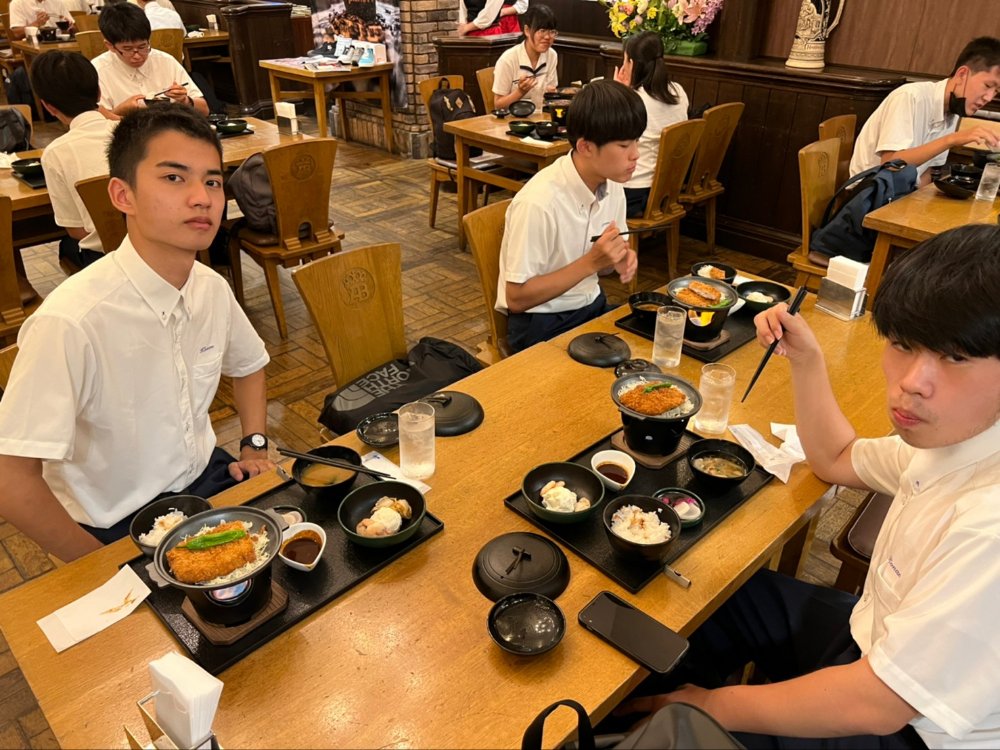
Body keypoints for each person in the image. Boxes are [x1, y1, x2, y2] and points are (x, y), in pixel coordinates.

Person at [620, 223, 1000, 749]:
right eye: (903, 344)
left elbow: (878, 704)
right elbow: (836, 458)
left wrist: (706, 705)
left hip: (908, 729)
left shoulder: (988, 522)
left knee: (689, 727)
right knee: (720, 598)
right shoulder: (957, 437)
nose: (912, 382)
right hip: (870, 638)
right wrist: (806, 358)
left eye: (956, 357)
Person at [0, 106, 273, 563]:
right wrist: (99, 566)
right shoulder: (71, 321)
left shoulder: (210, 288)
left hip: (207, 481)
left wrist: (255, 444)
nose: (202, 198)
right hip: (116, 524)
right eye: (174, 178)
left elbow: (249, 366)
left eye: (212, 181)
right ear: (122, 195)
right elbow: (10, 477)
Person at [496, 80, 643, 352]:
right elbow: (516, 298)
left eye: (637, 141)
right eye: (624, 145)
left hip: (591, 306)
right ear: (586, 146)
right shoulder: (538, 202)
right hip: (540, 323)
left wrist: (616, 258)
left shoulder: (612, 185)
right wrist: (591, 262)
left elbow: (603, 267)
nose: (636, 154)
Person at [850, 37, 1000, 185]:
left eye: (996, 91)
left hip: (901, 194)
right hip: (868, 194)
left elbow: (925, 173)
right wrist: (952, 139)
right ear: (962, 75)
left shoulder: (953, 109)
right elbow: (890, 164)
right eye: (988, 86)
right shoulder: (911, 96)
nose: (989, 97)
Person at [29, 50, 118, 271]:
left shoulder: (55, 153)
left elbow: (76, 230)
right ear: (99, 92)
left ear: (48, 106)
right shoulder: (139, 131)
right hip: (162, 248)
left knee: (67, 245)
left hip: (108, 261)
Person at [613, 30, 689, 218]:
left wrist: (618, 93)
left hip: (633, 192)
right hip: (667, 190)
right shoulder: (678, 92)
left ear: (631, 63)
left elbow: (610, 138)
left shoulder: (634, 101)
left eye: (625, 60)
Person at [92, 2, 208, 116]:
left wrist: (185, 100)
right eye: (128, 49)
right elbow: (95, 122)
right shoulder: (98, 71)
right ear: (110, 46)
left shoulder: (165, 61)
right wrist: (120, 111)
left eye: (142, 47)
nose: (137, 56)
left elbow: (205, 110)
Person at [492, 3, 558, 112]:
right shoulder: (508, 59)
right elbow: (498, 105)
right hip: (512, 118)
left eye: (551, 32)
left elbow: (551, 92)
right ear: (527, 30)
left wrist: (551, 93)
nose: (547, 37)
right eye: (542, 31)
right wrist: (520, 91)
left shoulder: (551, 55)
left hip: (541, 115)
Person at [8, 0, 74, 40]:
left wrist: (70, 26)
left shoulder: (57, 1)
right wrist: (37, 23)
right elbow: (17, 33)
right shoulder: (17, 3)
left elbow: (73, 25)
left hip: (59, 42)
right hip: (34, 45)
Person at [457, 0, 526, 37]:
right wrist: (463, 27)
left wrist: (467, 27)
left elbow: (488, 16)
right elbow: (463, 9)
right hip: (469, 32)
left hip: (489, 32)